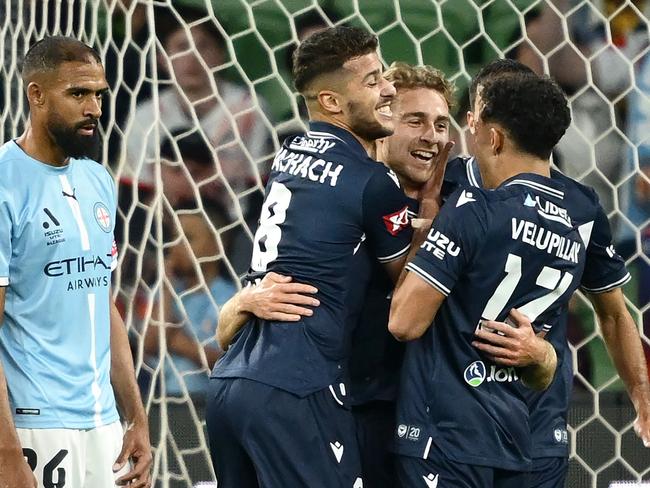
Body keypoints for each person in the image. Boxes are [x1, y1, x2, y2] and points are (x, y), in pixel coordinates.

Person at [205, 26, 451, 488]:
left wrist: (239, 303)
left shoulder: (288, 155)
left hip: (233, 379)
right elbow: (412, 285)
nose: (388, 90)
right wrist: (433, 215)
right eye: (373, 80)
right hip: (301, 390)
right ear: (332, 103)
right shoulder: (372, 183)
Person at [388, 71, 639, 486]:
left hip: (466, 426)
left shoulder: (465, 202)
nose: (466, 125)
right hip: (508, 425)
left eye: (475, 118)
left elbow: (403, 322)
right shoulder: (578, 209)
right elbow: (613, 315)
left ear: (495, 136)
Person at [452, 58, 650, 488]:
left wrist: (642, 397)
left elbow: (614, 313)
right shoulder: (448, 185)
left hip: (535, 418)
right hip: (453, 418)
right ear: (476, 120)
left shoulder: (580, 204)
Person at [0, 36, 152, 488]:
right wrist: (7, 454)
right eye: (78, 94)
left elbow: (104, 307)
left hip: (103, 423)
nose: (95, 109)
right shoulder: (5, 182)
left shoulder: (96, 178)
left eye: (99, 95)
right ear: (36, 95)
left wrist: (136, 420)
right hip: (35, 424)